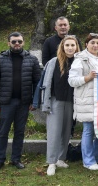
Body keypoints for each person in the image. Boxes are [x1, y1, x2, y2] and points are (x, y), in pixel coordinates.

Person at [0, 32, 41, 172]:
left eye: (19, 41)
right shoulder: (0, 59)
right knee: (2, 132)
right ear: (9, 43)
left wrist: (35, 101)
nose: (17, 44)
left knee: (19, 132)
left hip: (24, 102)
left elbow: (38, 83)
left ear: (23, 42)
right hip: (6, 102)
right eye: (14, 42)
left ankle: (16, 159)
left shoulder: (32, 59)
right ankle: (0, 160)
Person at [68, 33, 98, 171]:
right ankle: (87, 160)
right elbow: (72, 81)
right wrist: (87, 77)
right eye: (92, 43)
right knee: (88, 130)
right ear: (86, 44)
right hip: (87, 100)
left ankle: (97, 155)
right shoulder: (80, 60)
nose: (95, 45)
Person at [40, 35, 78, 176]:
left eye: (72, 45)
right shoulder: (53, 62)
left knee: (66, 132)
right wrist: (46, 103)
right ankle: (51, 162)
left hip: (71, 101)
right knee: (54, 132)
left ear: (76, 47)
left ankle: (61, 159)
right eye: (67, 45)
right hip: (56, 101)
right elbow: (47, 83)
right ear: (62, 47)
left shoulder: (79, 62)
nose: (70, 48)